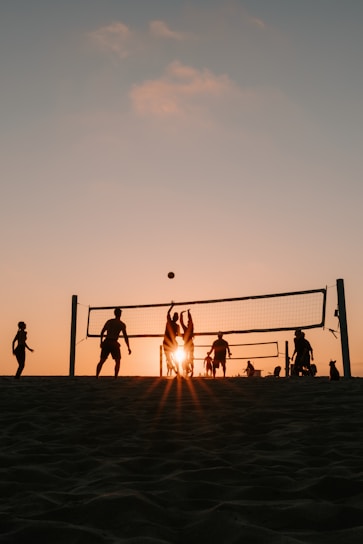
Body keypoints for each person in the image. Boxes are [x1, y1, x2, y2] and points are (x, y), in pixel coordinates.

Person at [96, 308, 131, 378]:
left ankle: (96, 376)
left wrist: (101, 342)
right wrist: (128, 347)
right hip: (113, 343)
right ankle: (115, 377)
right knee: (117, 361)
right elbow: (125, 337)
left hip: (107, 342)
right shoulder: (121, 324)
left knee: (102, 360)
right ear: (120, 314)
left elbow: (102, 332)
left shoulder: (109, 321)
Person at [163, 303, 180, 376]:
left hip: (167, 342)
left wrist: (171, 306)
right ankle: (177, 370)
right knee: (174, 357)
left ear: (173, 317)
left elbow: (168, 312)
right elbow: (179, 334)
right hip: (172, 343)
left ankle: (175, 369)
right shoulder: (177, 326)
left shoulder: (169, 322)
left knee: (169, 358)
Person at [180, 310, 194, 377]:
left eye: (188, 322)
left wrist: (188, 313)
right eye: (188, 322)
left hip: (189, 344)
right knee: (185, 358)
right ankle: (187, 370)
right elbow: (181, 322)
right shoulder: (186, 329)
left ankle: (192, 371)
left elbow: (190, 320)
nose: (188, 323)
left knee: (190, 358)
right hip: (186, 345)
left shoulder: (190, 328)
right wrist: (181, 314)